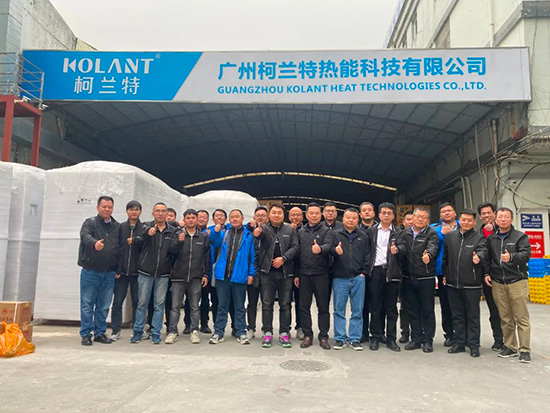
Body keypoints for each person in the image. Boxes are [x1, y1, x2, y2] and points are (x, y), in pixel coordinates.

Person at [485, 207, 532, 363]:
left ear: (511, 219)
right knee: (505, 318)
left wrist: (511, 257)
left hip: (517, 281)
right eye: (500, 217)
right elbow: (488, 259)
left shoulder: (520, 237)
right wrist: (486, 274)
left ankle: (524, 350)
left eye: (506, 217)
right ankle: (510, 346)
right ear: (496, 219)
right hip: (498, 282)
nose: (503, 219)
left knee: (521, 317)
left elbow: (526, 255)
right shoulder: (492, 239)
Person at [443, 209, 489, 358]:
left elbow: (483, 252)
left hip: (472, 284)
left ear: (474, 222)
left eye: (469, 220)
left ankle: (474, 345)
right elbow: (446, 258)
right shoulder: (450, 237)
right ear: (459, 220)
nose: (466, 222)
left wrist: (478, 257)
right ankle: (459, 343)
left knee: (472, 316)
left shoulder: (479, 238)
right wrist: (445, 274)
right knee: (457, 315)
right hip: (453, 284)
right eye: (463, 220)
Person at [78, 196, 122, 346]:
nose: (107, 209)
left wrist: (119, 268)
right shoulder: (90, 223)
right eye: (104, 207)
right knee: (87, 303)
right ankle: (86, 334)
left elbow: (120, 248)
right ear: (98, 208)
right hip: (91, 271)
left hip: (109, 272)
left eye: (110, 207)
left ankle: (100, 333)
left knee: (104, 305)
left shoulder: (117, 226)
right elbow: (84, 236)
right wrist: (94, 243)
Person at [130, 202, 177, 344]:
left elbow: (174, 251)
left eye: (163, 211)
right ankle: (138, 331)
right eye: (157, 211)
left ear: (167, 213)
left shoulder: (172, 231)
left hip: (163, 274)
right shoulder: (145, 226)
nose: (160, 213)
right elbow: (136, 243)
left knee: (159, 305)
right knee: (142, 304)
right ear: (153, 213)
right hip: (145, 272)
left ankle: (156, 332)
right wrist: (147, 235)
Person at [254, 204, 299, 348]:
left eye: (279, 212)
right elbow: (259, 235)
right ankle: (267, 332)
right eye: (274, 212)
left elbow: (295, 247)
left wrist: (284, 258)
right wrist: (257, 233)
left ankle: (284, 333)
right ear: (269, 215)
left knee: (285, 304)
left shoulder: (290, 230)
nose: (276, 215)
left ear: (283, 215)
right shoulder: (264, 228)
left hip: (286, 273)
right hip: (267, 273)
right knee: (267, 304)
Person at [208, 209, 256, 345]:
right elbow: (214, 242)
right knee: (221, 306)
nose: (234, 219)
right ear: (229, 220)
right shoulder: (224, 233)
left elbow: (253, 257)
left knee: (239, 306)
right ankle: (218, 332)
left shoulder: (248, 236)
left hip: (240, 276)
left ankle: (241, 332)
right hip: (223, 276)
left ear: (242, 219)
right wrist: (215, 232)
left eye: (237, 217)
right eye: (232, 217)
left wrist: (251, 273)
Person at [166, 209, 211, 344]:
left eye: (193, 218)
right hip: (178, 277)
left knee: (194, 306)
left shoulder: (203, 237)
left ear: (197, 219)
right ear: (184, 220)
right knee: (175, 307)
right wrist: (179, 242)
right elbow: (171, 252)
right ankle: (172, 331)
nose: (191, 220)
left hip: (196, 277)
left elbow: (206, 258)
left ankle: (194, 331)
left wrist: (205, 274)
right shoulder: (177, 234)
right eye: (188, 218)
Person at [366, 202, 404, 352]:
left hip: (392, 272)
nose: (386, 215)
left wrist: (398, 250)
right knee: (375, 307)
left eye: (389, 213)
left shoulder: (399, 232)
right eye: (384, 213)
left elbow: (404, 247)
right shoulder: (371, 231)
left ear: (393, 216)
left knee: (391, 308)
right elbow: (366, 250)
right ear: (379, 215)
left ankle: (391, 339)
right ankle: (375, 337)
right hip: (375, 271)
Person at [331, 208, 371, 351]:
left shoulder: (363, 236)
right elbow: (329, 251)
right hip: (340, 278)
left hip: (358, 278)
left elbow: (368, 255)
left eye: (354, 218)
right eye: (348, 217)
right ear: (343, 219)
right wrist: (335, 251)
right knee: (339, 310)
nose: (351, 220)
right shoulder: (335, 234)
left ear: (358, 219)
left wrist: (364, 273)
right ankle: (340, 338)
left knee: (357, 310)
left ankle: (355, 338)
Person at [401, 207, 438, 353]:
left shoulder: (431, 233)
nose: (420, 219)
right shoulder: (405, 233)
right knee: (413, 310)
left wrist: (429, 254)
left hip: (425, 277)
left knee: (427, 310)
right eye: (417, 216)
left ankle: (428, 340)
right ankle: (416, 339)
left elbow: (433, 246)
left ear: (427, 220)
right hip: (408, 277)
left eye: (423, 217)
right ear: (413, 218)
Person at [296, 203, 333, 350]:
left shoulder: (326, 231)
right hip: (304, 274)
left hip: (321, 274)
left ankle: (323, 336)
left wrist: (321, 249)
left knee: (323, 307)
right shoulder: (301, 232)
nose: (314, 215)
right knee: (304, 306)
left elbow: (329, 246)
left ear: (321, 214)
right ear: (306, 215)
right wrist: (296, 274)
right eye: (311, 213)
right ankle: (308, 335)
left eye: (317, 213)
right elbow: (296, 253)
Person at [109, 200, 144, 341]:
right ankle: (115, 330)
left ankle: (137, 329)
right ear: (127, 211)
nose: (134, 212)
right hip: (122, 272)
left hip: (138, 273)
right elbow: (116, 249)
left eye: (136, 209)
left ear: (140, 212)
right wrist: (117, 269)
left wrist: (136, 241)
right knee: (117, 302)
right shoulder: (120, 227)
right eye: (131, 209)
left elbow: (146, 248)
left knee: (137, 302)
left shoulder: (144, 228)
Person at [477, 202, 504, 351]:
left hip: (503, 275)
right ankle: (498, 339)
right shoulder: (478, 234)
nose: (486, 215)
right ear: (480, 217)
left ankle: (510, 339)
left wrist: (494, 231)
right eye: (483, 213)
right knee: (493, 310)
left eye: (489, 213)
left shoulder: (503, 231)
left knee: (505, 310)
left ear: (494, 214)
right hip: (486, 276)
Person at [432, 202, 458, 347]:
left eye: (449, 211)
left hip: (462, 272)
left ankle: (463, 334)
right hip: (443, 272)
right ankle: (449, 334)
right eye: (443, 212)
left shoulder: (463, 225)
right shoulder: (435, 230)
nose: (446, 213)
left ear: (455, 213)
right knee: (446, 305)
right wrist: (443, 234)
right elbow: (433, 246)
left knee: (461, 305)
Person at [245, 205, 269, 340]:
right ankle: (251, 328)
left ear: (267, 218)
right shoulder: (249, 231)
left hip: (267, 273)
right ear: (254, 217)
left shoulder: (271, 231)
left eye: (263, 215)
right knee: (252, 302)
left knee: (266, 303)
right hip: (253, 272)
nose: (260, 217)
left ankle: (266, 329)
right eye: (258, 215)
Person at [358, 201, 378, 343]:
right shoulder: (356, 229)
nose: (367, 212)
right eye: (364, 210)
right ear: (360, 214)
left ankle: (378, 332)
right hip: (361, 272)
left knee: (378, 304)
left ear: (374, 213)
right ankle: (363, 332)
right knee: (362, 305)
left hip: (377, 271)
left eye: (369, 210)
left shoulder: (380, 229)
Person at [288, 206, 305, 339]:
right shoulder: (285, 230)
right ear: (289, 217)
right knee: (285, 302)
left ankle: (300, 327)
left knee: (301, 302)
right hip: (286, 271)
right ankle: (285, 327)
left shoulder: (306, 231)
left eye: (298, 215)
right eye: (293, 215)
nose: (295, 217)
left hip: (301, 271)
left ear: (302, 217)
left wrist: (298, 274)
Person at [399, 210, 414, 343]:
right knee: (404, 306)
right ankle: (405, 332)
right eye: (408, 220)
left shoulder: (425, 234)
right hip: (403, 275)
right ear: (403, 222)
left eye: (413, 219)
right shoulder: (400, 235)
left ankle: (417, 333)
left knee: (418, 306)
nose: (411, 222)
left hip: (418, 275)